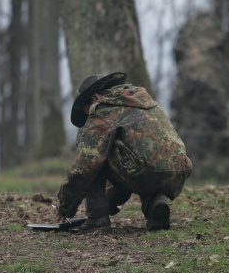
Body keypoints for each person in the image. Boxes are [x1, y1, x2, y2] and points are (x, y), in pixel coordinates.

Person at [55, 72, 192, 232]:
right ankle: (155, 202)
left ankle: (97, 219)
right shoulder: (148, 102)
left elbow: (84, 167)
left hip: (142, 171)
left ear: (95, 97)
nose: (88, 116)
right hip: (179, 171)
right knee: (143, 159)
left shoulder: (103, 111)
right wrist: (111, 200)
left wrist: (65, 206)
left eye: (86, 110)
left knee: (94, 154)